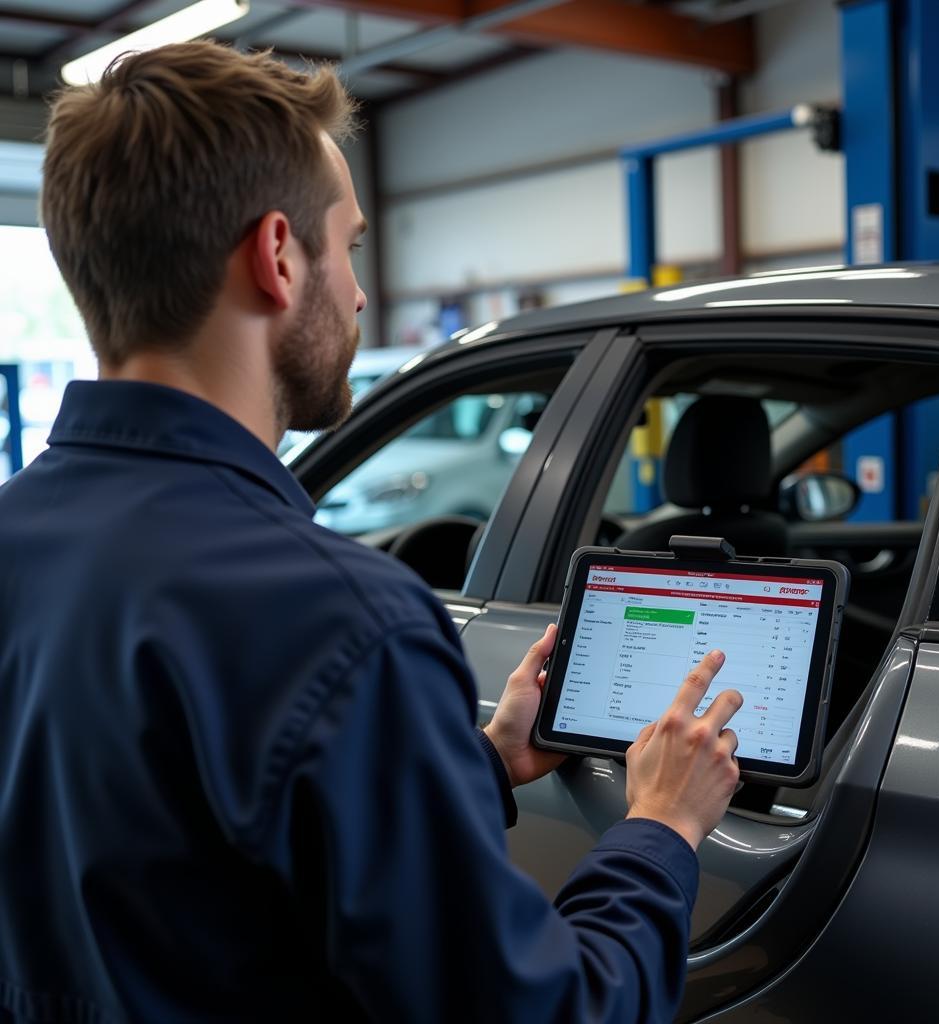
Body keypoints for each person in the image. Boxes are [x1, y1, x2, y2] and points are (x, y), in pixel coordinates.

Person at [0, 42, 742, 1023]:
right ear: (276, 256)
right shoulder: (348, 624)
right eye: (347, 246)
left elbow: (178, 863)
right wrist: (662, 825)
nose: (355, 293)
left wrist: (481, 758)